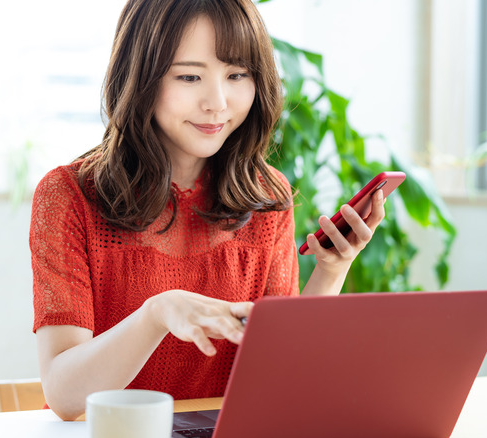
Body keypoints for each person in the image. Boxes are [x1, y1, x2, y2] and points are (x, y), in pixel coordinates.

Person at [29, 0, 385, 420]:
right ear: (139, 77)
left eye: (237, 75)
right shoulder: (69, 196)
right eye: (190, 76)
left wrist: (331, 270)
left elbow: (280, 373)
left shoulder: (266, 194)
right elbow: (66, 398)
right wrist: (156, 314)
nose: (217, 102)